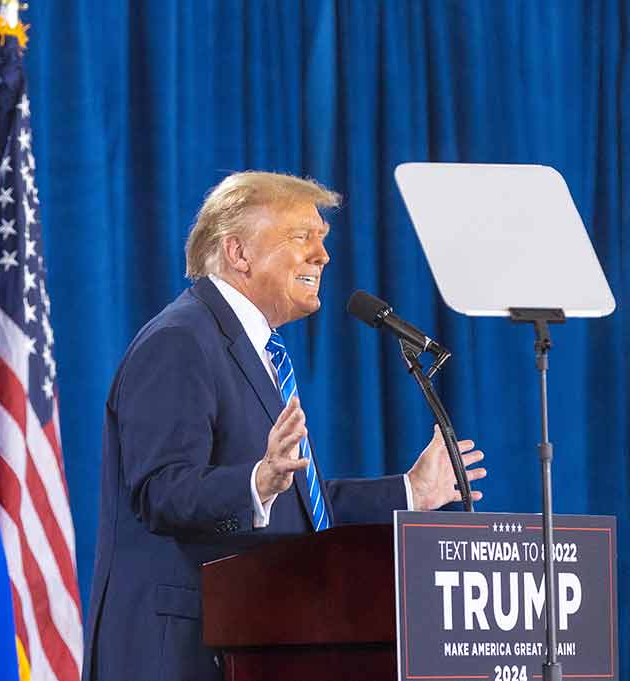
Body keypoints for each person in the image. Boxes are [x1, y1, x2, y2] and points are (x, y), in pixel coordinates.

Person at [83, 171, 486, 681]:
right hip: (179, 654)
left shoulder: (255, 351)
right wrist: (256, 482)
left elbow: (299, 505)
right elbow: (162, 492)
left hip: (255, 644)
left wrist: (411, 492)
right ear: (239, 253)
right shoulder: (180, 341)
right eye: (303, 238)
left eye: (322, 240)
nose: (323, 257)